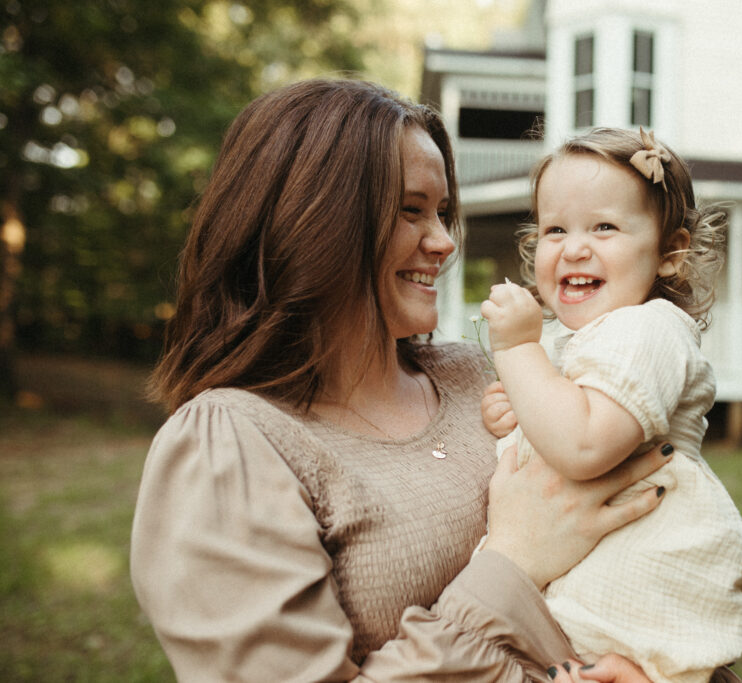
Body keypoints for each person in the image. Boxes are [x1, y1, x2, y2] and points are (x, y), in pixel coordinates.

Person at [129, 78, 677, 682]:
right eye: (410, 210)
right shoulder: (232, 445)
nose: (444, 242)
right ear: (310, 221)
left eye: (442, 212)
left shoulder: (479, 376)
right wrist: (512, 561)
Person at [480, 128, 742, 683]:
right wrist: (516, 408)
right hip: (582, 601)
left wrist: (515, 353)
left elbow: (584, 444)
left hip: (638, 594)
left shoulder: (650, 331)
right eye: (555, 228)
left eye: (604, 226)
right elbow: (557, 416)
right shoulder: (578, 340)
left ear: (671, 253)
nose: (574, 246)